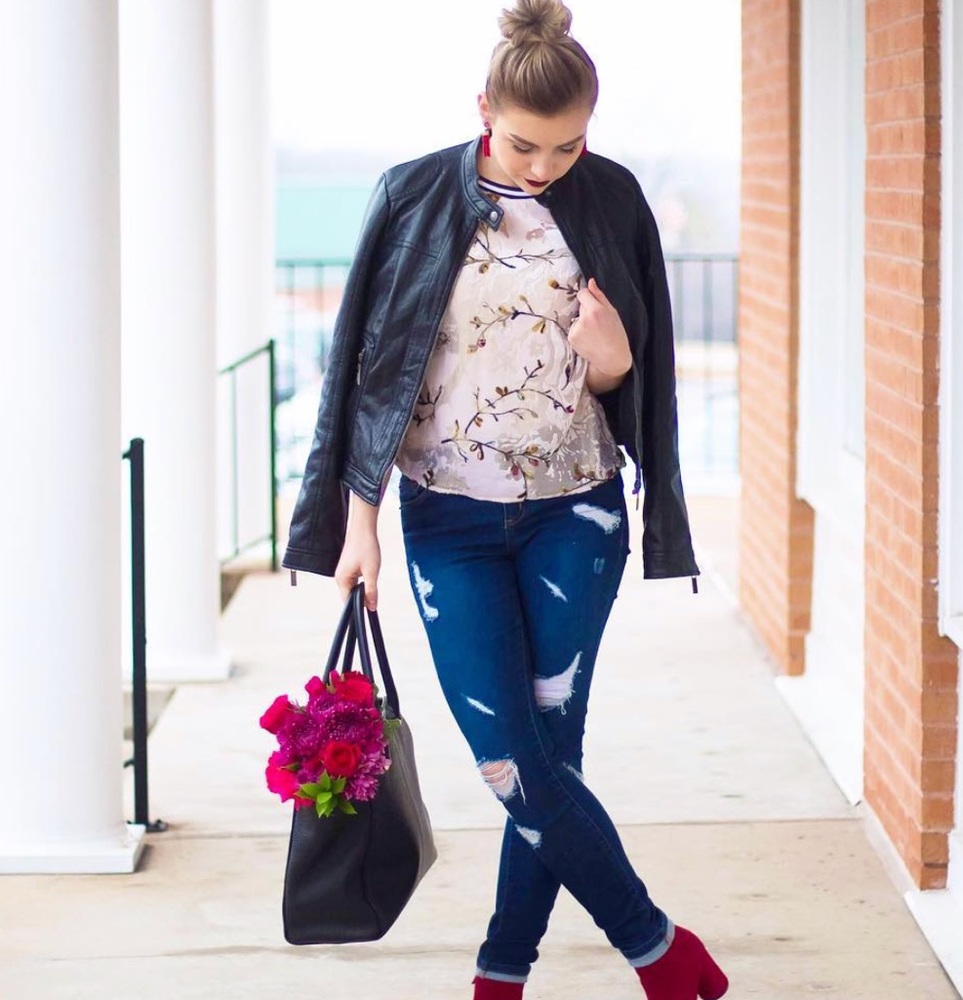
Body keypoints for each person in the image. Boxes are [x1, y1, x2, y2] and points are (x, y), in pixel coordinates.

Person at [282, 1, 729, 997]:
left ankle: (501, 972)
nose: (543, 168)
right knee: (511, 761)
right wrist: (358, 523)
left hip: (577, 513)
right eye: (526, 144)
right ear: (481, 106)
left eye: (567, 146)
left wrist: (611, 356)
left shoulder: (610, 198)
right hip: (447, 519)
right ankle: (659, 949)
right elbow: (364, 365)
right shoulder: (409, 195)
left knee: (548, 752)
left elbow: (632, 374)